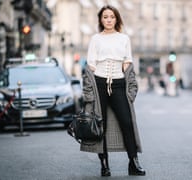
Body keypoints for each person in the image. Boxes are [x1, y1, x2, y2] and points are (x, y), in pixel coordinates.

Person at [80, 5, 146, 177]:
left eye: (111, 17)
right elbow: (91, 66)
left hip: (118, 84)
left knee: (127, 122)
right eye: (105, 17)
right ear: (101, 20)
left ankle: (133, 162)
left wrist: (130, 88)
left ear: (116, 19)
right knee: (101, 125)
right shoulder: (95, 39)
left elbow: (127, 63)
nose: (108, 20)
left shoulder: (124, 38)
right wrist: (90, 92)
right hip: (99, 83)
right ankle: (104, 164)